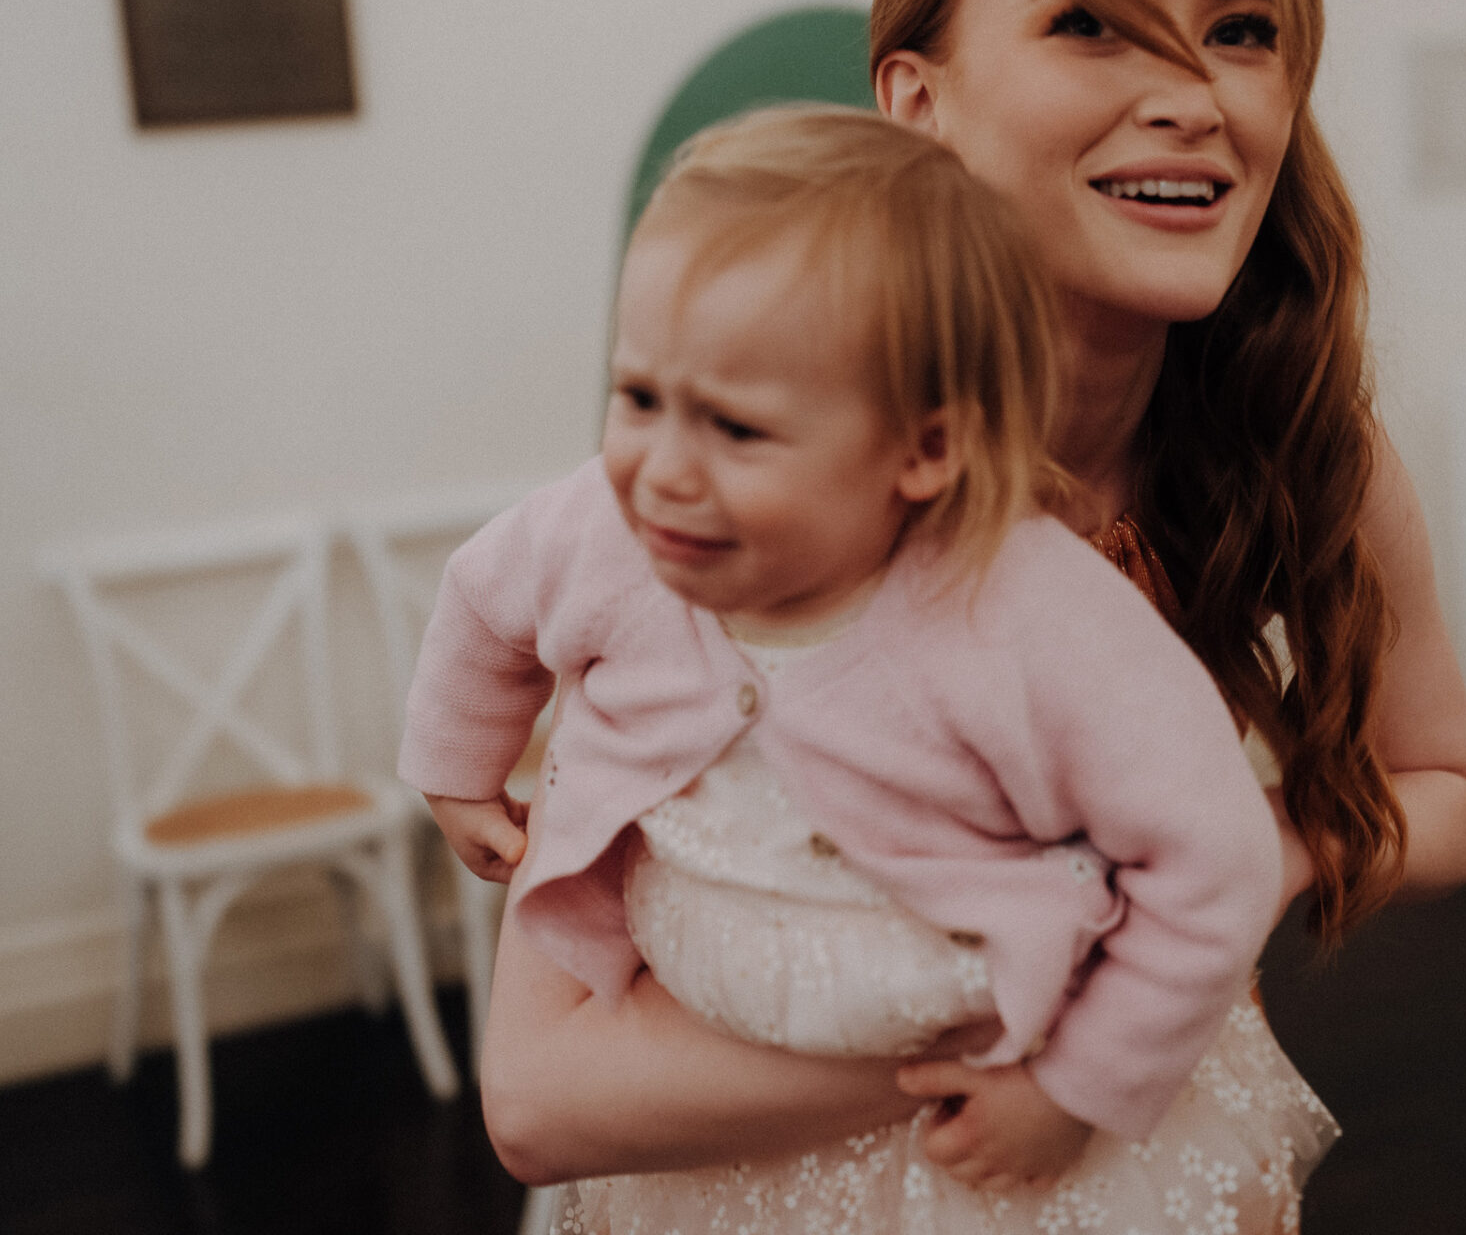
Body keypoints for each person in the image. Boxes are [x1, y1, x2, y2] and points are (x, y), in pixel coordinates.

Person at [478, 0, 1466, 1229]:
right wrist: (1060, 1029)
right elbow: (537, 1098)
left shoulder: (1304, 450)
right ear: (917, 101)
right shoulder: (765, 500)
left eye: (1241, 32)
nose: (1193, 94)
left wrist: (1265, 857)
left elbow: (1448, 798)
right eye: (1090, 22)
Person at [402, 104, 1337, 1231]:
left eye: (737, 429)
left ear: (924, 447)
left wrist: (1074, 1087)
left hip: (974, 1131)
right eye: (640, 397)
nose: (662, 467)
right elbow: (484, 598)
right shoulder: (606, 526)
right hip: (713, 1123)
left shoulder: (1031, 612)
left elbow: (1217, 857)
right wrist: (460, 766)